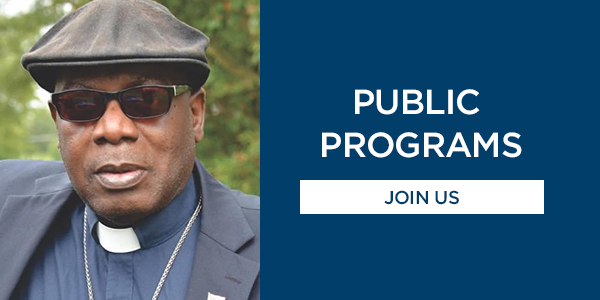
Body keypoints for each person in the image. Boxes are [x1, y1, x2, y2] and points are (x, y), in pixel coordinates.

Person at [0, 0, 260, 299]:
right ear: (57, 120)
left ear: (195, 114)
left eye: (145, 100)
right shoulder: (8, 209)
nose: (112, 129)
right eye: (81, 104)